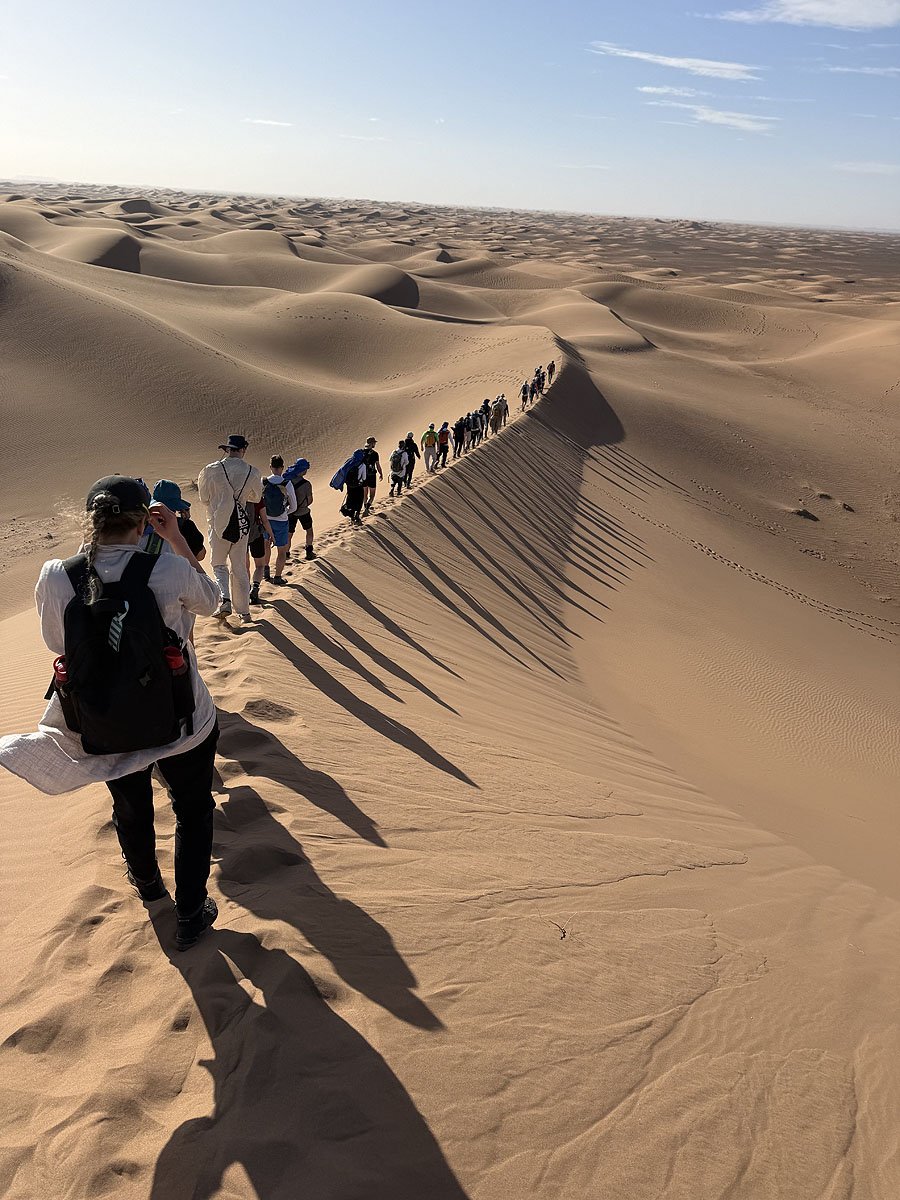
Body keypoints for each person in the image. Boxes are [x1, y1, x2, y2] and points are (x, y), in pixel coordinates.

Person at [0, 476, 222, 950]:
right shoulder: (169, 570)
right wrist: (177, 539)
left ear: (91, 521)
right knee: (193, 810)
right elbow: (213, 600)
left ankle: (148, 887)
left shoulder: (56, 575)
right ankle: (190, 913)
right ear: (145, 521)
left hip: (105, 719)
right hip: (182, 720)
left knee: (130, 804)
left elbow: (57, 644)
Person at [198, 435, 262, 624]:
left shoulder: (210, 470)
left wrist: (222, 500)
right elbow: (256, 497)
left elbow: (203, 498)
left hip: (217, 524)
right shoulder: (252, 471)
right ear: (243, 450)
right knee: (239, 567)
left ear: (226, 449)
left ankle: (224, 600)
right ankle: (244, 613)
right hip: (241, 526)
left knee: (218, 565)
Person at [141, 481, 206, 561]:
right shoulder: (185, 526)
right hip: (175, 571)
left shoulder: (141, 523)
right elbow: (200, 556)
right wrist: (186, 522)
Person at [263, 455, 297, 586]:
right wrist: (284, 513)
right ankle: (277, 577)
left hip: (266, 520)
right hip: (281, 521)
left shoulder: (264, 481)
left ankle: (266, 570)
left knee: (266, 545)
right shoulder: (286, 483)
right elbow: (293, 505)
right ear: (282, 467)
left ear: (270, 467)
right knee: (281, 550)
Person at [247, 498, 274, 606]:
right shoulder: (257, 499)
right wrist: (271, 534)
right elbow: (265, 520)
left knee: (245, 567)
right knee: (259, 566)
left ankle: (245, 591)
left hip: (240, 537)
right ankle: (255, 587)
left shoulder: (237, 497)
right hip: (256, 535)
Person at [287, 459, 315, 561]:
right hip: (304, 512)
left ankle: (286, 553)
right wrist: (303, 505)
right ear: (303, 470)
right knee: (309, 530)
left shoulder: (288, 482)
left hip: (291, 512)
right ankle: (309, 551)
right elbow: (310, 500)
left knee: (289, 534)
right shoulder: (307, 484)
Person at [343, 452, 367, 525]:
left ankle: (352, 517)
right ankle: (357, 516)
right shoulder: (362, 465)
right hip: (358, 486)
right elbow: (364, 477)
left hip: (349, 486)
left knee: (351, 500)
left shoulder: (348, 462)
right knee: (359, 501)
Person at [362, 437, 382, 514]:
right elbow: (378, 465)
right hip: (372, 475)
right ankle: (367, 509)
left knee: (365, 495)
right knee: (372, 495)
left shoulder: (362, 453)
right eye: (374, 443)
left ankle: (365, 507)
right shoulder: (375, 454)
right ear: (371, 443)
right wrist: (381, 473)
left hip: (363, 476)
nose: (375, 444)